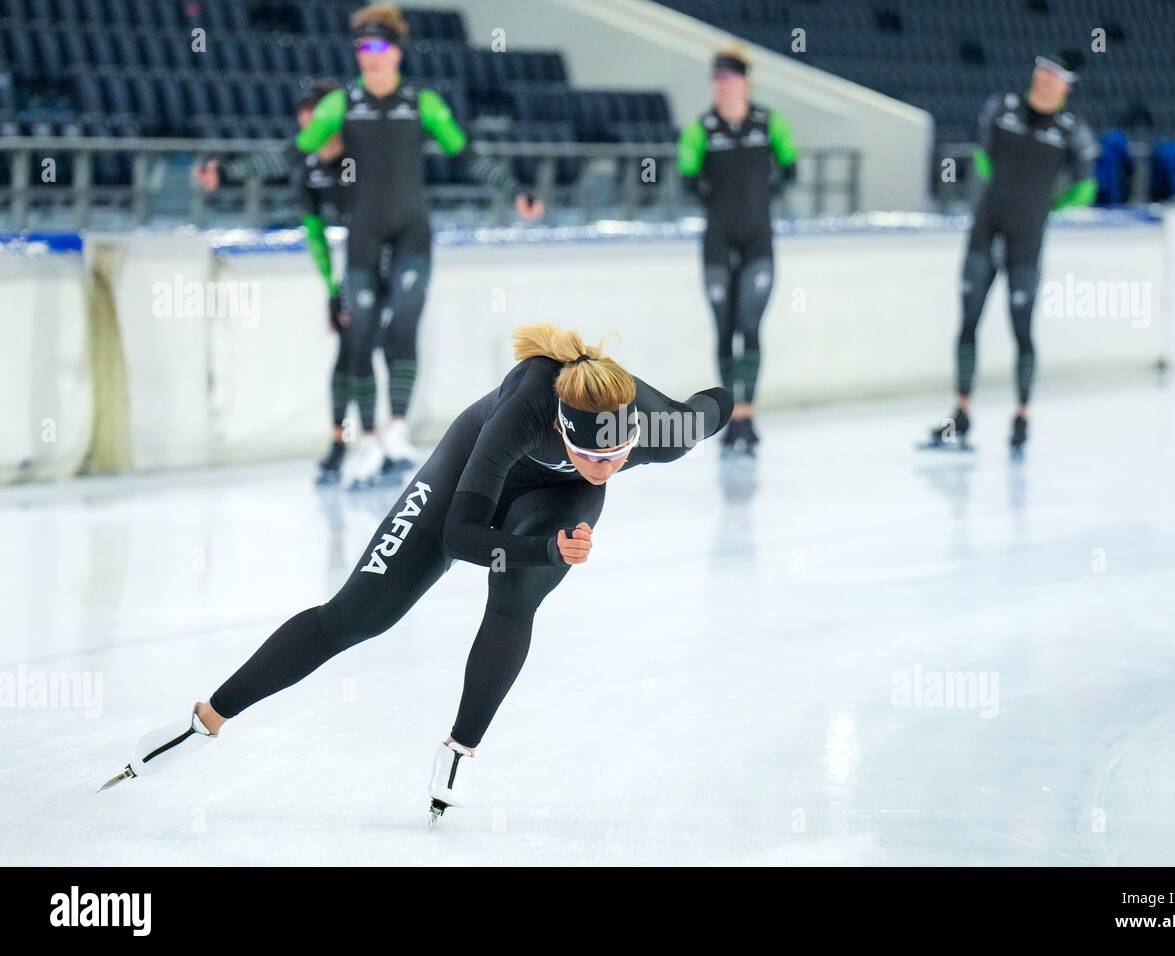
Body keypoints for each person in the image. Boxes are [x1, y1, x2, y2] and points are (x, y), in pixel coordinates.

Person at [100, 324, 735, 824]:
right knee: (356, 616)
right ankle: (205, 717)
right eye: (595, 456)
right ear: (563, 429)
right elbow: (460, 538)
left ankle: (459, 749)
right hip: (469, 472)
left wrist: (726, 393)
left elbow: (709, 409)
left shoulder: (656, 432)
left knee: (515, 597)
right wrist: (547, 550)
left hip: (554, 501)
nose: (609, 468)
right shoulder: (521, 414)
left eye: (621, 455)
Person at [297, 3, 544, 489]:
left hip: (412, 233)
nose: (368, 55)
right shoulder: (342, 104)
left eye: (377, 46)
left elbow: (466, 153)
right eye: (360, 47)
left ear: (396, 52)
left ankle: (395, 430)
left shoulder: (422, 102)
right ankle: (364, 440)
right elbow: (290, 151)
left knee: (404, 320)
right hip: (364, 238)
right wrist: (228, 172)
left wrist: (515, 190)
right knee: (360, 334)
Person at [922, 50, 1097, 456]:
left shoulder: (1072, 131)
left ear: (1067, 85)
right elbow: (984, 159)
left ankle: (1021, 417)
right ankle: (960, 414)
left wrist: (1047, 206)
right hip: (985, 231)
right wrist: (1004, 197)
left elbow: (1086, 189)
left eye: (1054, 75)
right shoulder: (1001, 108)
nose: (1043, 80)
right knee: (968, 321)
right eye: (1040, 70)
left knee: (1022, 328)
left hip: (1026, 241)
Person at [194, 82, 362, 485]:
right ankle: (341, 441)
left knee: (377, 350)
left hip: (384, 256)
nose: (310, 141)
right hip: (355, 269)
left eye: (316, 128)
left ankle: (382, 439)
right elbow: (315, 233)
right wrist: (332, 288)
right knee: (349, 354)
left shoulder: (366, 156)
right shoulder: (308, 169)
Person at [677, 45, 797, 458]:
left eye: (727, 80)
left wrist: (767, 196)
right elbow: (686, 177)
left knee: (750, 322)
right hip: (717, 242)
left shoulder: (769, 123)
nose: (721, 87)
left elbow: (791, 167)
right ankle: (731, 416)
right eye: (716, 81)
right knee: (725, 328)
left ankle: (748, 413)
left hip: (757, 241)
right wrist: (712, 198)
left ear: (745, 83)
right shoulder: (703, 129)